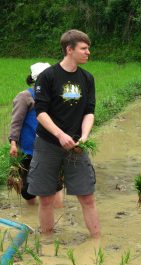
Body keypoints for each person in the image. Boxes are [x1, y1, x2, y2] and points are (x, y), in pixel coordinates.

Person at [27, 29, 100, 238]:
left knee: (87, 197)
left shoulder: (87, 78)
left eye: (88, 48)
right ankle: (47, 241)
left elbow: (89, 111)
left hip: (78, 146)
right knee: (47, 198)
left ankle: (96, 242)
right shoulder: (48, 77)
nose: (88, 53)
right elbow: (40, 112)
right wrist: (60, 135)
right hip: (48, 144)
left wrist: (84, 137)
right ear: (70, 49)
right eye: (84, 48)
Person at [9, 62, 64, 207]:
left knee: (54, 184)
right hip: (28, 148)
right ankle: (32, 212)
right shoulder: (25, 97)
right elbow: (16, 122)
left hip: (50, 146)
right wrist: (13, 143)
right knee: (28, 189)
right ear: (38, 79)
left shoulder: (54, 97)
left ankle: (58, 214)